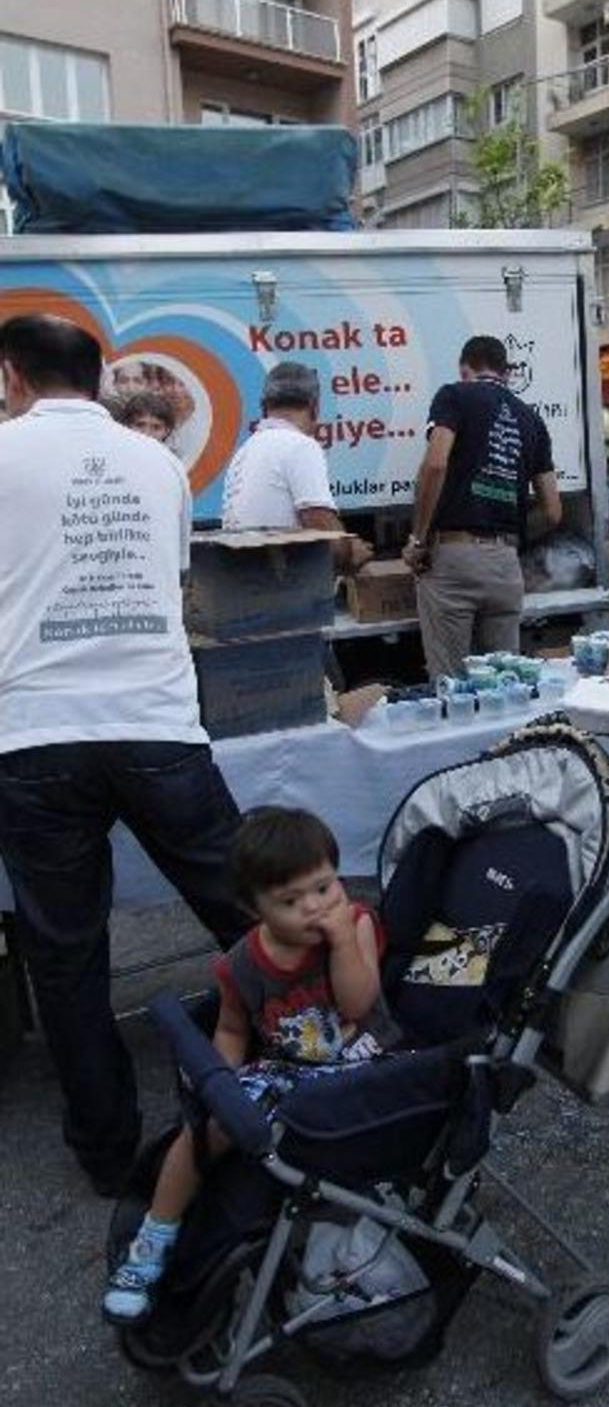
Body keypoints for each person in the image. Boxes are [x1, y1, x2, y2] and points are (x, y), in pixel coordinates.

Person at [0, 314, 249, 1195]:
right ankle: (323, 1064)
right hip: (155, 722)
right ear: (96, 377)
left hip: (35, 734)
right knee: (248, 911)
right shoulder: (158, 463)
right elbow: (169, 585)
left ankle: (107, 1154)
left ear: (12, 376)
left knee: (67, 955)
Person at [103, 807, 397, 1324]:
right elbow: (234, 1029)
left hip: (360, 1058)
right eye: (290, 900)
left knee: (290, 1115)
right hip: (288, 1065)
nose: (315, 908)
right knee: (203, 1130)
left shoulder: (356, 926)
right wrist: (223, 1081)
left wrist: (344, 939)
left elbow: (357, 1004)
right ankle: (155, 1235)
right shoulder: (240, 962)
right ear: (253, 907)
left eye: (325, 887)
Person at [404, 335, 562, 677]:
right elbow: (553, 511)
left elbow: (435, 464)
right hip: (505, 565)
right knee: (504, 684)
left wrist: (418, 539)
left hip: (454, 560)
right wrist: (510, 531)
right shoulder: (531, 420)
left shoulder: (454, 395)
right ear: (505, 372)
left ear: (465, 368)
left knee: (452, 685)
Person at [221, 361, 372, 573]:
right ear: (315, 407)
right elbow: (322, 531)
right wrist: (350, 553)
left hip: (245, 581)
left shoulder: (245, 451)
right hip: (284, 588)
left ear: (264, 408)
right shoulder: (299, 445)